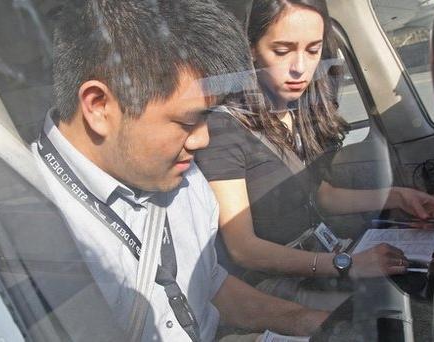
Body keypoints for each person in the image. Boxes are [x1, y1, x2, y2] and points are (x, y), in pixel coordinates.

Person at [32, 0, 329, 340]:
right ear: (99, 106)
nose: (202, 140)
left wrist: (314, 324)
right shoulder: (31, 223)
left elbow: (211, 285)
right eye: (189, 121)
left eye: (208, 117)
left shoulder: (184, 178)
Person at [195, 0, 434, 292]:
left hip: (320, 256)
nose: (300, 68)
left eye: (313, 50)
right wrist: (347, 264)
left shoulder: (295, 112)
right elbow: (244, 249)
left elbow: (322, 196)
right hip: (272, 281)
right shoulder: (225, 129)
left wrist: (397, 197)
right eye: (282, 51)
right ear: (252, 49)